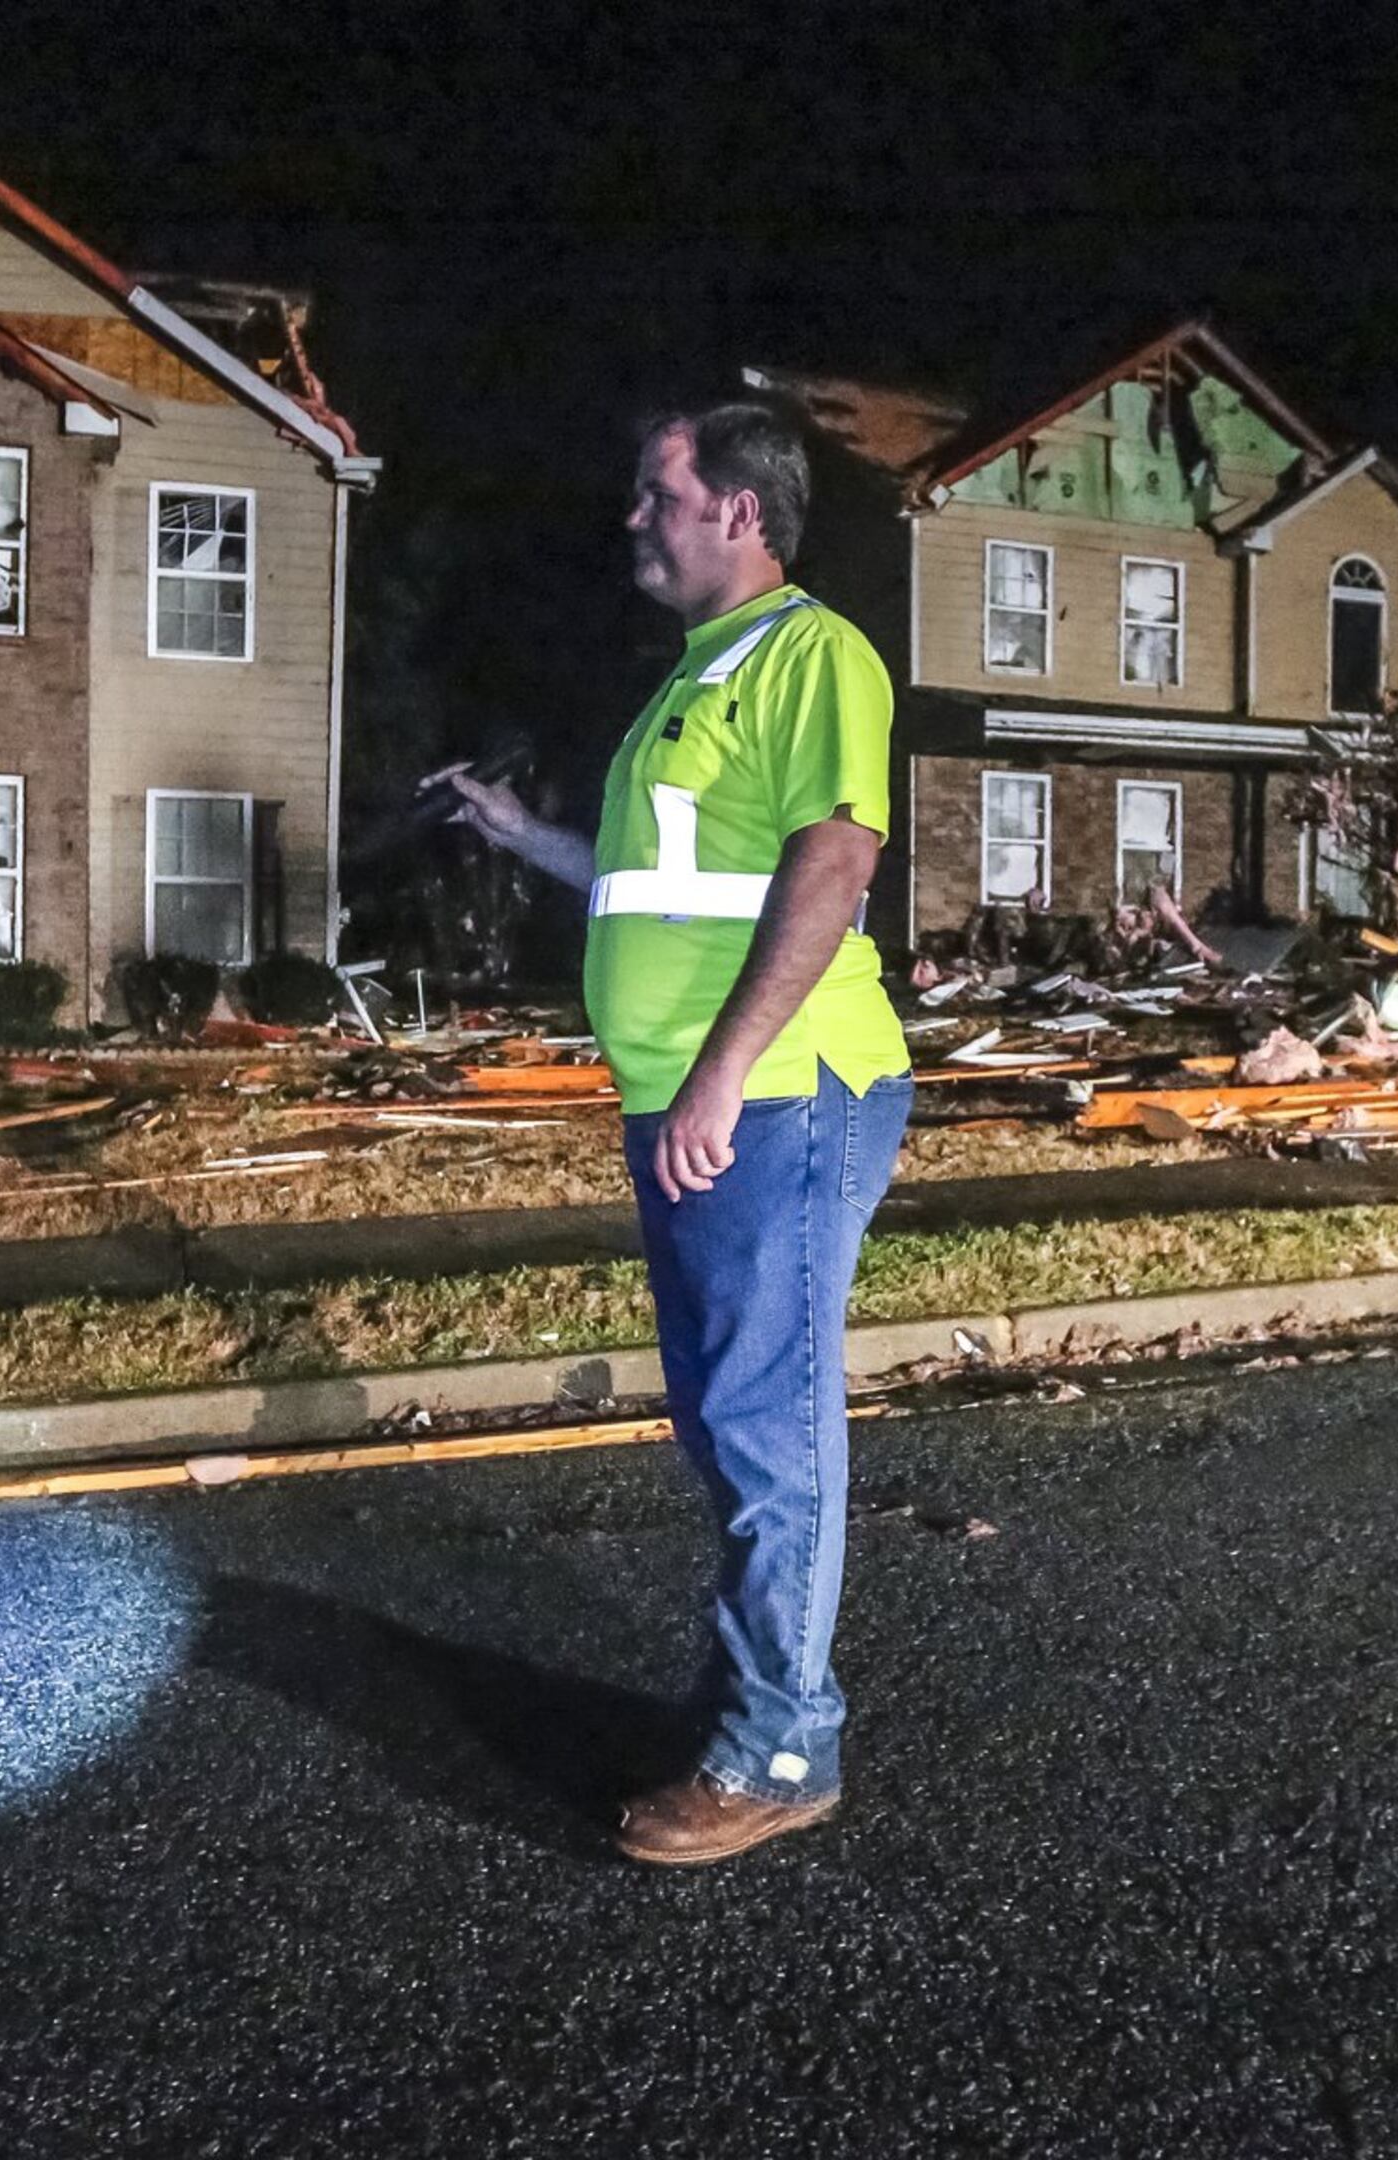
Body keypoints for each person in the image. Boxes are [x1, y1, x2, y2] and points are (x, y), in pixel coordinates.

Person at [428, 402, 911, 1867]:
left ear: (739, 515)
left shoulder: (811, 656)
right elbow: (654, 886)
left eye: (658, 495)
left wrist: (721, 1072)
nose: (634, 519)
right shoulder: (689, 685)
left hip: (782, 1091)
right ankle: (752, 1688)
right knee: (723, 1418)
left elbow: (836, 863)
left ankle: (781, 1748)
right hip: (698, 1098)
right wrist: (527, 839)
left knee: (771, 1420)